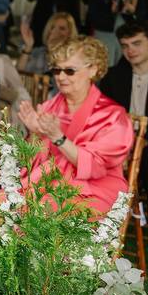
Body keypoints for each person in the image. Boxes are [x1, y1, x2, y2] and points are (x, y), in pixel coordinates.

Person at [17, 35, 132, 216]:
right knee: (4, 199)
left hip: (95, 187)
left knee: (46, 208)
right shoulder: (49, 107)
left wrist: (58, 138)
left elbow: (96, 166)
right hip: (49, 182)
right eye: (56, 70)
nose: (61, 77)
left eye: (69, 71)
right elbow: (31, 163)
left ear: (93, 70)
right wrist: (34, 133)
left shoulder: (112, 115)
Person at [100, 21, 148, 282]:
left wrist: (147, 140)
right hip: (119, 151)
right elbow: (102, 114)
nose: (130, 50)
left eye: (137, 43)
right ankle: (98, 254)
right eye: (125, 45)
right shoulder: (115, 77)